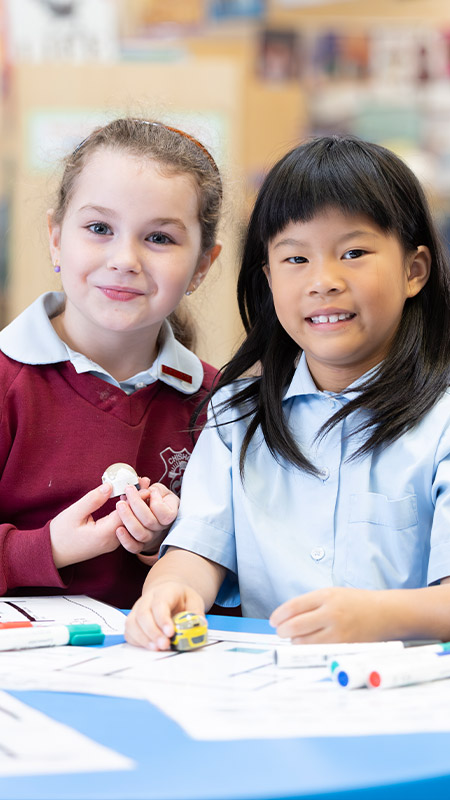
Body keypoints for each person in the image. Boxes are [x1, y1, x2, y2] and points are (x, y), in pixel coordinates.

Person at [125, 133, 450, 648]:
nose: (323, 281)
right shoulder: (235, 417)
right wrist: (169, 591)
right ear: (269, 279)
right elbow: (197, 551)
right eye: (296, 259)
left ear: (414, 271)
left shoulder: (442, 419)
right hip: (271, 684)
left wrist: (379, 615)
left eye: (354, 252)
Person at [0, 117, 222, 608]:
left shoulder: (218, 405)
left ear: (202, 266)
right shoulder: (6, 380)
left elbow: (232, 567)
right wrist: (47, 548)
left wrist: (162, 545)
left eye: (159, 238)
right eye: (99, 228)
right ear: (56, 238)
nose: (125, 259)